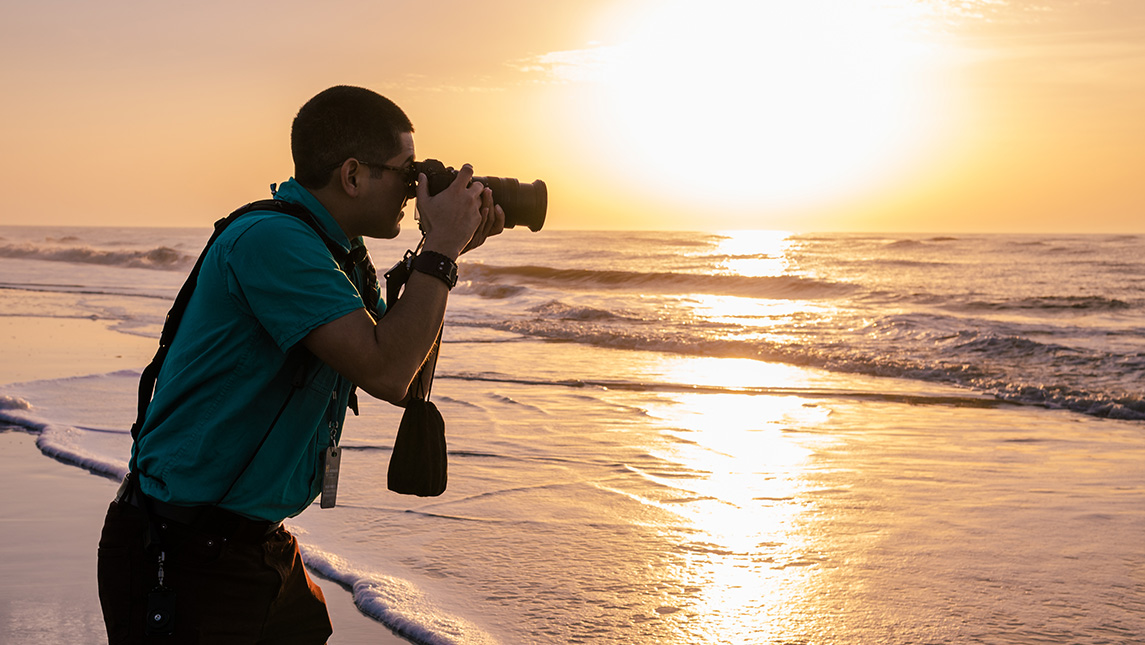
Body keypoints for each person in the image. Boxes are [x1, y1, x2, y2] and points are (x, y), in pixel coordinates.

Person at [96, 85, 504, 644]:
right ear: (353, 175)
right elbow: (384, 370)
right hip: (183, 551)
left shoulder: (337, 251)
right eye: (407, 173)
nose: (416, 191)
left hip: (255, 544)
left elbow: (404, 376)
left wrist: (446, 254)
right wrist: (440, 253)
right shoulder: (274, 241)